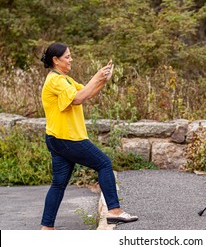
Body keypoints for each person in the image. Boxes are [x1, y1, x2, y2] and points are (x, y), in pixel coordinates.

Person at [40, 42, 138, 230]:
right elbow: (77, 99)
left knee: (59, 184)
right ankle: (114, 211)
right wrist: (97, 76)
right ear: (55, 60)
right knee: (103, 163)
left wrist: (102, 79)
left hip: (58, 138)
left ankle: (47, 228)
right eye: (67, 56)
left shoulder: (64, 79)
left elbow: (86, 93)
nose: (71, 59)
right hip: (67, 138)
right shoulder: (55, 81)